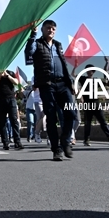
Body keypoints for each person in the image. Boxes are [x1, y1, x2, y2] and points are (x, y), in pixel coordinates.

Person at [25, 20, 77, 161]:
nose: (51, 30)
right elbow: (28, 52)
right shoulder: (37, 44)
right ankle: (56, 149)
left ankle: (65, 142)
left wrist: (70, 82)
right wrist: (32, 35)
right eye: (48, 28)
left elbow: (64, 65)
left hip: (63, 84)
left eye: (53, 28)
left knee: (71, 114)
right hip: (46, 85)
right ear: (42, 29)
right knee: (51, 117)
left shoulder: (58, 45)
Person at [77, 63, 109, 147]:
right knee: (88, 123)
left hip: (96, 103)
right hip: (87, 104)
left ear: (93, 71)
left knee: (103, 121)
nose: (89, 71)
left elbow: (106, 81)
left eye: (91, 70)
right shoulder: (83, 79)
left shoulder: (96, 80)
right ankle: (86, 139)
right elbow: (73, 74)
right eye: (87, 70)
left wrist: (105, 65)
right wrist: (75, 66)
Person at [0, 71, 24, 151]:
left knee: (14, 120)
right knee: (2, 122)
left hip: (11, 99)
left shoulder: (10, 73)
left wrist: (7, 75)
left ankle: (17, 142)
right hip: (0, 100)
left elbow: (16, 82)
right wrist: (0, 76)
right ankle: (5, 142)